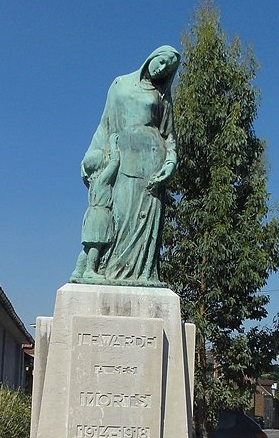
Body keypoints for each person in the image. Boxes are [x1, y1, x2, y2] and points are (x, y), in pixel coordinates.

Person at [80, 46, 180, 285]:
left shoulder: (162, 97)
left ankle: (142, 274)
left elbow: (170, 136)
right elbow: (105, 124)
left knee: (144, 221)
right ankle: (106, 269)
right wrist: (92, 155)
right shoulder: (120, 84)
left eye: (169, 66)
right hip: (123, 158)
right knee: (119, 216)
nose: (163, 67)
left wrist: (171, 160)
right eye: (162, 60)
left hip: (153, 164)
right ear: (152, 57)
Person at [69, 133, 120, 283]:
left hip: (91, 214)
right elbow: (115, 163)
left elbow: (84, 171)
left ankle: (78, 271)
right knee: (96, 246)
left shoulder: (91, 182)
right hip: (100, 214)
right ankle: (90, 271)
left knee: (88, 246)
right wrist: (113, 145)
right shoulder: (102, 179)